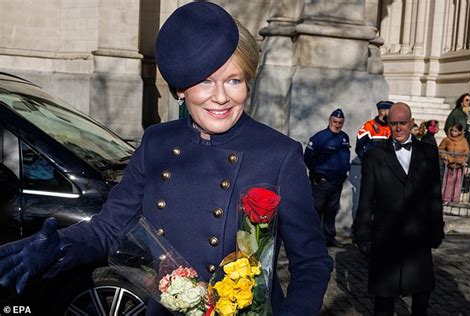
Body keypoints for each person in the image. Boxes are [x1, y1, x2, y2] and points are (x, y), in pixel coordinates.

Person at [0, 2, 333, 315]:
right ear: (180, 90)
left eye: (234, 80)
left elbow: (311, 262)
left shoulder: (279, 153)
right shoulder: (157, 143)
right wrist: (59, 247)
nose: (221, 97)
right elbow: (108, 229)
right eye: (205, 81)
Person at [352, 102, 445, 315]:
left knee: (421, 295)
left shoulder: (428, 152)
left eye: (403, 123)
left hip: (418, 235)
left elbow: (434, 194)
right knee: (383, 298)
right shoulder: (375, 155)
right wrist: (362, 232)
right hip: (385, 235)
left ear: (412, 123)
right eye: (394, 123)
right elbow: (366, 198)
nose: (398, 128)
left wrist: (437, 227)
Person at [304, 108, 351, 247]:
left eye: (340, 123)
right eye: (335, 121)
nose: (337, 125)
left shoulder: (344, 137)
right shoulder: (320, 138)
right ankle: (313, 239)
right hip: (322, 182)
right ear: (329, 121)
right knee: (316, 211)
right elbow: (308, 158)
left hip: (337, 182)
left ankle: (329, 237)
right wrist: (317, 174)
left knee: (331, 211)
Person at [439, 123, 470, 204]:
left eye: (455, 131)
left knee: (458, 183)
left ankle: (455, 200)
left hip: (459, 165)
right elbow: (441, 149)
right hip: (450, 165)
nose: (453, 132)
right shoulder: (446, 139)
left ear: (460, 132)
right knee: (448, 182)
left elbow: (466, 151)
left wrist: (462, 160)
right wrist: (446, 157)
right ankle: (446, 199)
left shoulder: (464, 141)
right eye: (452, 130)